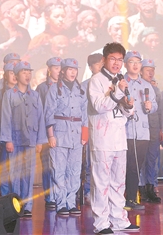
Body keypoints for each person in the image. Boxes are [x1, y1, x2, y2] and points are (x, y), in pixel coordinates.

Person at [88, 42, 139, 233]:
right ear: (104, 59)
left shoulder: (121, 79)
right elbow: (99, 106)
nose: (117, 63)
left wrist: (128, 104)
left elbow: (126, 113)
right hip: (102, 139)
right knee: (101, 183)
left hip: (119, 139)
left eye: (120, 59)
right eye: (113, 59)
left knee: (119, 183)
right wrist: (117, 92)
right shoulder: (96, 80)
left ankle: (119, 220)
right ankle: (101, 224)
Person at [0, 61, 47, 216]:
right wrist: (7, 140)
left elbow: (41, 119)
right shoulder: (9, 95)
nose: (27, 75)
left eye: (29, 72)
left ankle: (27, 207)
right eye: (24, 72)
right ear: (16, 75)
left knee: (28, 173)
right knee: (15, 172)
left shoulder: (35, 95)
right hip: (15, 139)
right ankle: (16, 204)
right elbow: (5, 118)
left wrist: (40, 141)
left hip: (31, 140)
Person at [44, 58, 88, 216]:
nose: (73, 72)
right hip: (60, 134)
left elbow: (85, 114)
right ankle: (61, 203)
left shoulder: (81, 90)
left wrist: (84, 135)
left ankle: (71, 202)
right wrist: (51, 135)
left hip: (76, 135)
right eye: (69, 69)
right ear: (62, 71)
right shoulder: (55, 89)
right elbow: (48, 113)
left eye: (75, 69)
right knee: (59, 170)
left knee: (75, 171)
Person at [123, 51, 158, 210]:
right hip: (125, 131)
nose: (136, 65)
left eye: (138, 62)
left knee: (136, 167)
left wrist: (150, 107)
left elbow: (155, 105)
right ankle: (123, 199)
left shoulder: (146, 85)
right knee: (125, 166)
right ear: (125, 64)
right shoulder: (121, 82)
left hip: (143, 132)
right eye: (132, 61)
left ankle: (131, 198)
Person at [35, 57, 62, 209]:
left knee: (60, 165)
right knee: (47, 166)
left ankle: (60, 195)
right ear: (49, 69)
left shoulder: (66, 86)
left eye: (60, 67)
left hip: (62, 132)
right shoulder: (42, 88)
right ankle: (49, 196)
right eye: (56, 68)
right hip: (46, 133)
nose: (59, 71)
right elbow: (39, 113)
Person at [80, 53, 105, 205]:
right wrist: (85, 130)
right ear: (90, 67)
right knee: (90, 162)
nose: (101, 66)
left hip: (107, 129)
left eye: (103, 63)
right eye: (97, 64)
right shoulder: (85, 85)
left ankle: (103, 192)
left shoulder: (110, 82)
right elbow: (82, 109)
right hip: (91, 127)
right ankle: (89, 190)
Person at [0, 62, 17, 197]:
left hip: (19, 138)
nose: (14, 76)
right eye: (11, 73)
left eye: (15, 72)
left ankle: (18, 199)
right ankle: (6, 198)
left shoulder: (25, 92)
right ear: (5, 75)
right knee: (5, 169)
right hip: (4, 137)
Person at [138, 58, 162, 203]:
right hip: (141, 128)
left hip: (153, 128)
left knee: (152, 159)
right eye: (148, 70)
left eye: (152, 70)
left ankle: (150, 187)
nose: (151, 72)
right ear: (141, 71)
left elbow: (159, 111)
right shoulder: (136, 86)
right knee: (140, 160)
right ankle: (140, 189)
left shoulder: (156, 90)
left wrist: (161, 128)